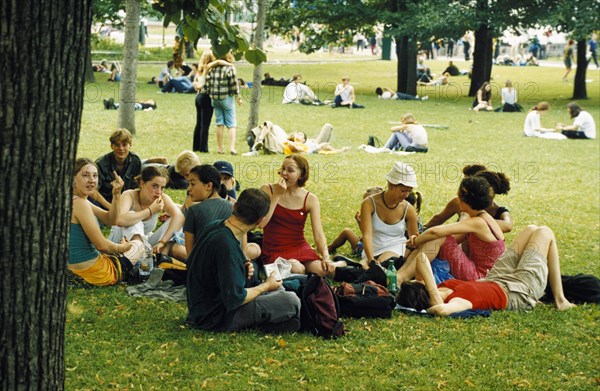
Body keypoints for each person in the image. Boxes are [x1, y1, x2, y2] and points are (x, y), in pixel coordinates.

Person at [186, 188, 301, 332]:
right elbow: (235, 299)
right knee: (291, 301)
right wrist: (265, 286)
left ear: (235, 206)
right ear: (260, 221)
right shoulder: (227, 246)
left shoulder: (215, 226)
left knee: (260, 274)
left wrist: (242, 267)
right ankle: (276, 318)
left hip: (201, 307)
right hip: (215, 317)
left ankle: (278, 315)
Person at [396, 225, 576, 315]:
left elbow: (421, 260)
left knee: (531, 229)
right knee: (544, 232)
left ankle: (557, 296)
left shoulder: (442, 286)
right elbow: (442, 311)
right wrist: (433, 299)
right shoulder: (457, 301)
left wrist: (431, 288)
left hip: (496, 278)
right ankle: (560, 300)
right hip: (518, 291)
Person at [398, 176, 505, 283]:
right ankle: (400, 274)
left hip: (479, 277)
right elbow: (451, 239)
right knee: (433, 238)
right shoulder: (484, 218)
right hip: (482, 273)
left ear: (464, 199)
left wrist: (414, 241)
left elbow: (435, 232)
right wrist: (422, 239)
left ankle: (402, 277)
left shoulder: (478, 222)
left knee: (437, 238)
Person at [259, 155, 346, 276]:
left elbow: (319, 234)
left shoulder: (310, 199)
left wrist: (326, 257)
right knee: (296, 268)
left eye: (290, 170)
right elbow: (261, 223)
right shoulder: (267, 190)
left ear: (301, 174)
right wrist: (277, 195)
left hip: (298, 246)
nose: (284, 173)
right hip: (274, 248)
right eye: (283, 168)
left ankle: (341, 263)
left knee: (323, 270)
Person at [69, 158, 143, 286]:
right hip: (93, 273)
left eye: (95, 175)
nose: (92, 180)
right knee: (138, 245)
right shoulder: (80, 204)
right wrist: (123, 247)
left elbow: (111, 219)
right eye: (85, 175)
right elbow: (102, 246)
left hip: (73, 269)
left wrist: (116, 195)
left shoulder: (76, 200)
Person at [108, 166, 186, 261]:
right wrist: (150, 210)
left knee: (173, 221)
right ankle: (137, 262)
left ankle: (158, 256)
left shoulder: (162, 198)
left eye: (162, 188)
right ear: (142, 183)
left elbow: (179, 217)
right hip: (118, 242)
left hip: (145, 245)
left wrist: (162, 242)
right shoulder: (129, 195)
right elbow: (120, 220)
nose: (159, 192)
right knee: (134, 218)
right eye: (155, 186)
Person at [359, 162, 419, 268]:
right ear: (391, 185)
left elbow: (414, 238)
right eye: (403, 190)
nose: (406, 195)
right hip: (373, 248)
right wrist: (371, 259)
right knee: (367, 266)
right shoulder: (369, 203)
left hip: (396, 248)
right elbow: (367, 234)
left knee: (383, 264)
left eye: (409, 191)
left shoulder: (408, 209)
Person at [424, 166, 513, 233]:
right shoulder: (458, 202)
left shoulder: (499, 211)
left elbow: (508, 226)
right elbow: (438, 219)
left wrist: (474, 223)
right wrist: (421, 230)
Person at [183, 164, 232, 255]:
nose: (188, 188)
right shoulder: (234, 208)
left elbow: (190, 255)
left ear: (209, 186)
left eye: (192, 184)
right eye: (188, 184)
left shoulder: (194, 210)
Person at [92, 129, 142, 209]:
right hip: (104, 204)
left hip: (127, 203)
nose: (121, 148)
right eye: (117, 145)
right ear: (112, 146)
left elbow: (138, 187)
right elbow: (92, 191)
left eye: (124, 145)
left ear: (130, 145)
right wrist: (111, 208)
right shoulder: (101, 164)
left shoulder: (135, 161)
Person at [204, 52, 242, 155]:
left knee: (219, 123)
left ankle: (220, 148)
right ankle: (232, 148)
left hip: (215, 99)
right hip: (226, 98)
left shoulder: (212, 68)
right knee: (231, 124)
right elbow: (234, 84)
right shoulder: (230, 68)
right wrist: (238, 97)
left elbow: (207, 84)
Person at [244, 122, 346, 156]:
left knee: (328, 126)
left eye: (301, 135)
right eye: (298, 133)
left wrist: (339, 150)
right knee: (268, 124)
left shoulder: (305, 146)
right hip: (280, 143)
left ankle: (255, 147)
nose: (298, 135)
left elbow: (300, 150)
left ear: (304, 140)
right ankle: (259, 140)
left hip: (280, 147)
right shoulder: (288, 139)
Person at [193, 50, 215, 153]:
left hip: (198, 97)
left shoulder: (199, 71)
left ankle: (196, 146)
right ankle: (203, 148)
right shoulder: (209, 70)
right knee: (205, 124)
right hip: (206, 97)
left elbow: (195, 84)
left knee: (199, 123)